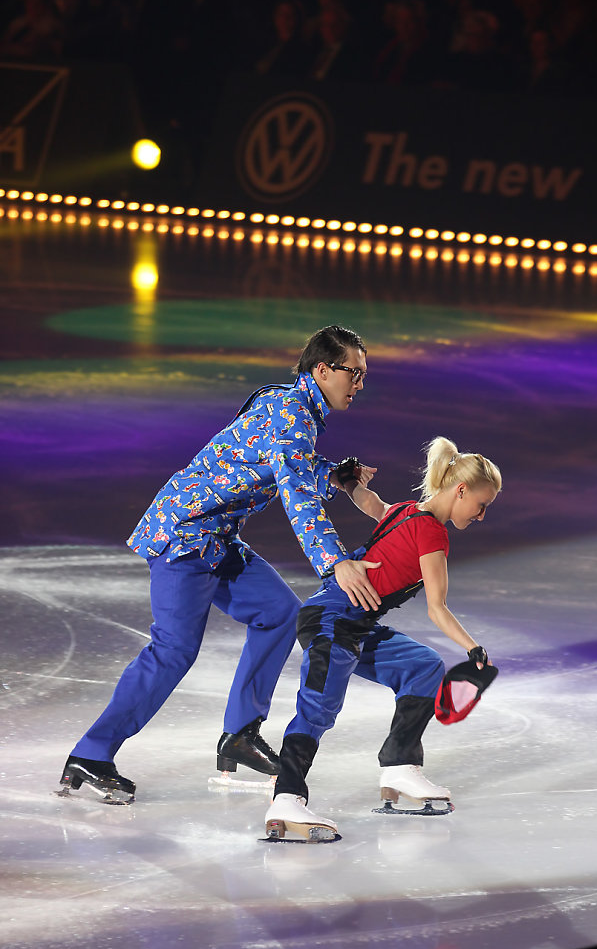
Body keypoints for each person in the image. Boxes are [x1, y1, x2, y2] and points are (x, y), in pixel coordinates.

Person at [59, 325, 381, 803]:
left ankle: (240, 734)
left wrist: (333, 474)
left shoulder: (289, 406)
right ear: (323, 369)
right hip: (185, 537)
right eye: (354, 373)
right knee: (174, 650)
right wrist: (334, 561)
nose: (359, 385)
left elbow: (275, 459)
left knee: (278, 614)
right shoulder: (291, 413)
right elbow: (297, 497)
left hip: (217, 540)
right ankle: (92, 754)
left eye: (363, 376)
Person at [265, 437, 502, 840]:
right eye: (481, 505)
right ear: (460, 490)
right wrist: (473, 648)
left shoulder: (406, 512)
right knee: (319, 705)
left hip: (351, 623)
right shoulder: (433, 534)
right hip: (331, 620)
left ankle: (399, 766)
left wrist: (348, 482)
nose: (481, 516)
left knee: (422, 666)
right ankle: (286, 796)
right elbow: (437, 608)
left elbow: (371, 503)